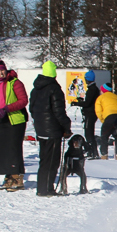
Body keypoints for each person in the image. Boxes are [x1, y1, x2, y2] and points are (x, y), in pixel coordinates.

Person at [29, 61, 71, 197]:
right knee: (53, 161)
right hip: (53, 130)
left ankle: (42, 187)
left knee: (44, 159)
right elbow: (59, 112)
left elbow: (32, 109)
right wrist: (66, 127)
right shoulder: (54, 89)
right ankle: (47, 189)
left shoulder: (36, 89)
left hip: (41, 129)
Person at [0, 60, 28, 190]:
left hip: (15, 119)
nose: (0, 73)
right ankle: (8, 177)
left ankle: (17, 177)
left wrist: (6, 109)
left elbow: (23, 100)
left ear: (6, 69)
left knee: (13, 149)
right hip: (1, 120)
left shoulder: (15, 83)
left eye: (2, 70)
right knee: (3, 150)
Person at [95, 83, 117, 159]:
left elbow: (98, 111)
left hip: (109, 118)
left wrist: (104, 121)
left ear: (103, 90)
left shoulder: (100, 98)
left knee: (104, 137)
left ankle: (104, 156)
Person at [76, 69, 100, 158]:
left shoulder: (92, 89)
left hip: (90, 114)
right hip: (91, 113)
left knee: (89, 133)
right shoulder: (93, 89)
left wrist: (78, 103)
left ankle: (93, 152)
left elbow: (88, 103)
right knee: (89, 133)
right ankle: (92, 152)